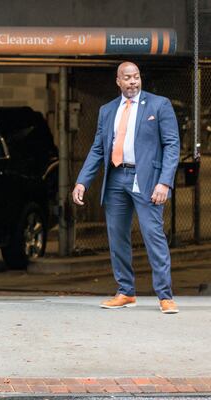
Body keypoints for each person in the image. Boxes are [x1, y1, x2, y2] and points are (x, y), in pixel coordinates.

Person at [72, 62, 180, 314]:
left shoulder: (159, 105)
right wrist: (82, 181)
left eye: (136, 77)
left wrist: (164, 181)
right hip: (116, 179)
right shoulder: (107, 110)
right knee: (117, 237)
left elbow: (172, 145)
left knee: (154, 236)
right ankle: (125, 291)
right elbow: (98, 148)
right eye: (127, 78)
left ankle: (165, 296)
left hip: (148, 179)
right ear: (118, 81)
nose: (133, 82)